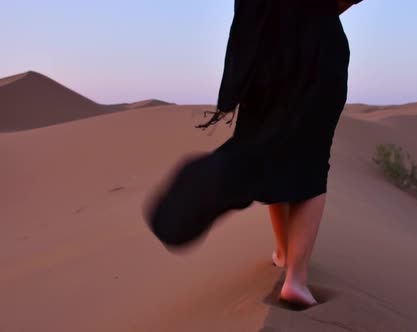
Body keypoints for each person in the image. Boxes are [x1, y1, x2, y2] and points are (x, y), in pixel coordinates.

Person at [145, 0, 363, 310]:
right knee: (311, 159)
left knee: (265, 146)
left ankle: (283, 251)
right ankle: (296, 280)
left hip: (262, 52)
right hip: (318, 47)